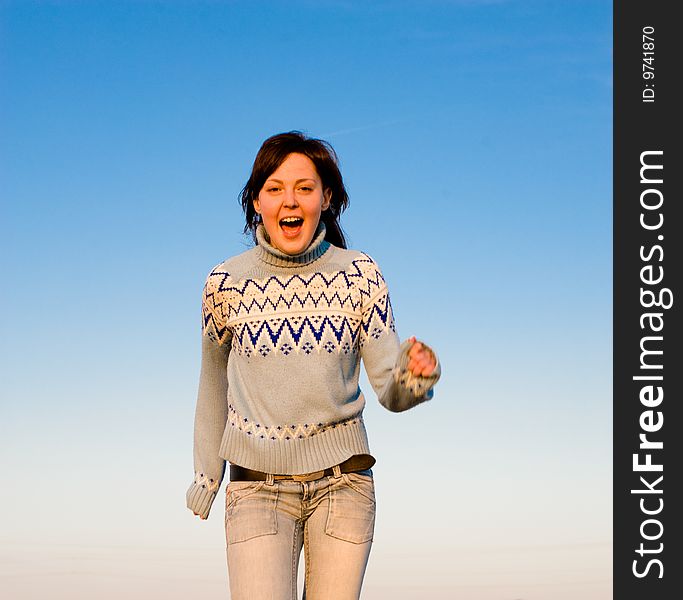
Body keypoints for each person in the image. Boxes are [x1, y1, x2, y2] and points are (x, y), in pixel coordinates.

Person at [186, 131, 441, 600]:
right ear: (257, 201)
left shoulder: (360, 275)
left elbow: (389, 387)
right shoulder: (225, 283)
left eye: (305, 188)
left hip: (344, 486)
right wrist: (207, 474)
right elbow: (213, 382)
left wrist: (414, 376)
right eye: (275, 188)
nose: (290, 200)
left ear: (326, 198)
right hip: (255, 490)